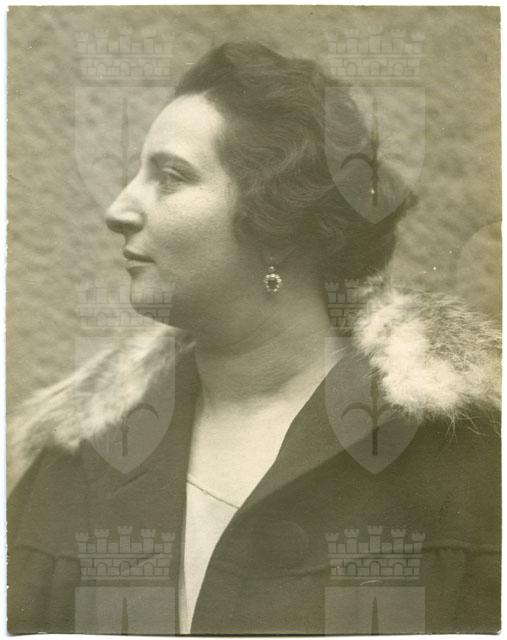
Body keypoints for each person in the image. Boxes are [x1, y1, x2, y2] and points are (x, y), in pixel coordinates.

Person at [8, 42, 500, 635]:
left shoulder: (455, 452)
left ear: (278, 219)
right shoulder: (83, 455)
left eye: (170, 177)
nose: (118, 209)